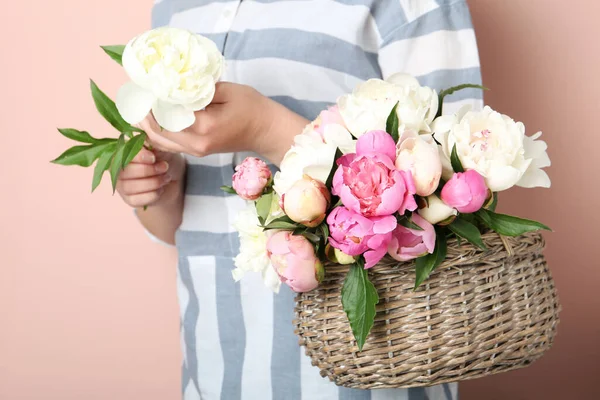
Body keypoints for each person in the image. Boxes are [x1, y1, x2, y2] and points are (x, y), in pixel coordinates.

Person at [117, 1, 484, 399]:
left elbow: (460, 200)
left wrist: (266, 128)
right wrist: (160, 186)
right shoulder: (176, 9)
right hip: (218, 370)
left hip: (365, 369)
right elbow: (173, 228)